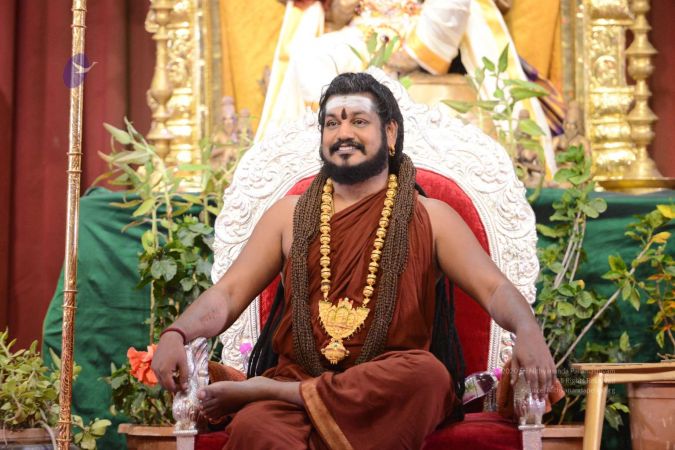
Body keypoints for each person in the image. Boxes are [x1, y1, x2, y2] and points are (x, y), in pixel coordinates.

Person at [152, 72, 556, 449]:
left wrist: (527, 329)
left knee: (429, 376)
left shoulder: (432, 218)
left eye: (359, 121)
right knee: (256, 428)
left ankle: (273, 391)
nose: (343, 133)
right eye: (332, 123)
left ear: (390, 133)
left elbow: (494, 289)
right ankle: (289, 396)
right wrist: (177, 333)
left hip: (383, 392)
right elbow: (228, 294)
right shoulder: (288, 216)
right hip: (299, 378)